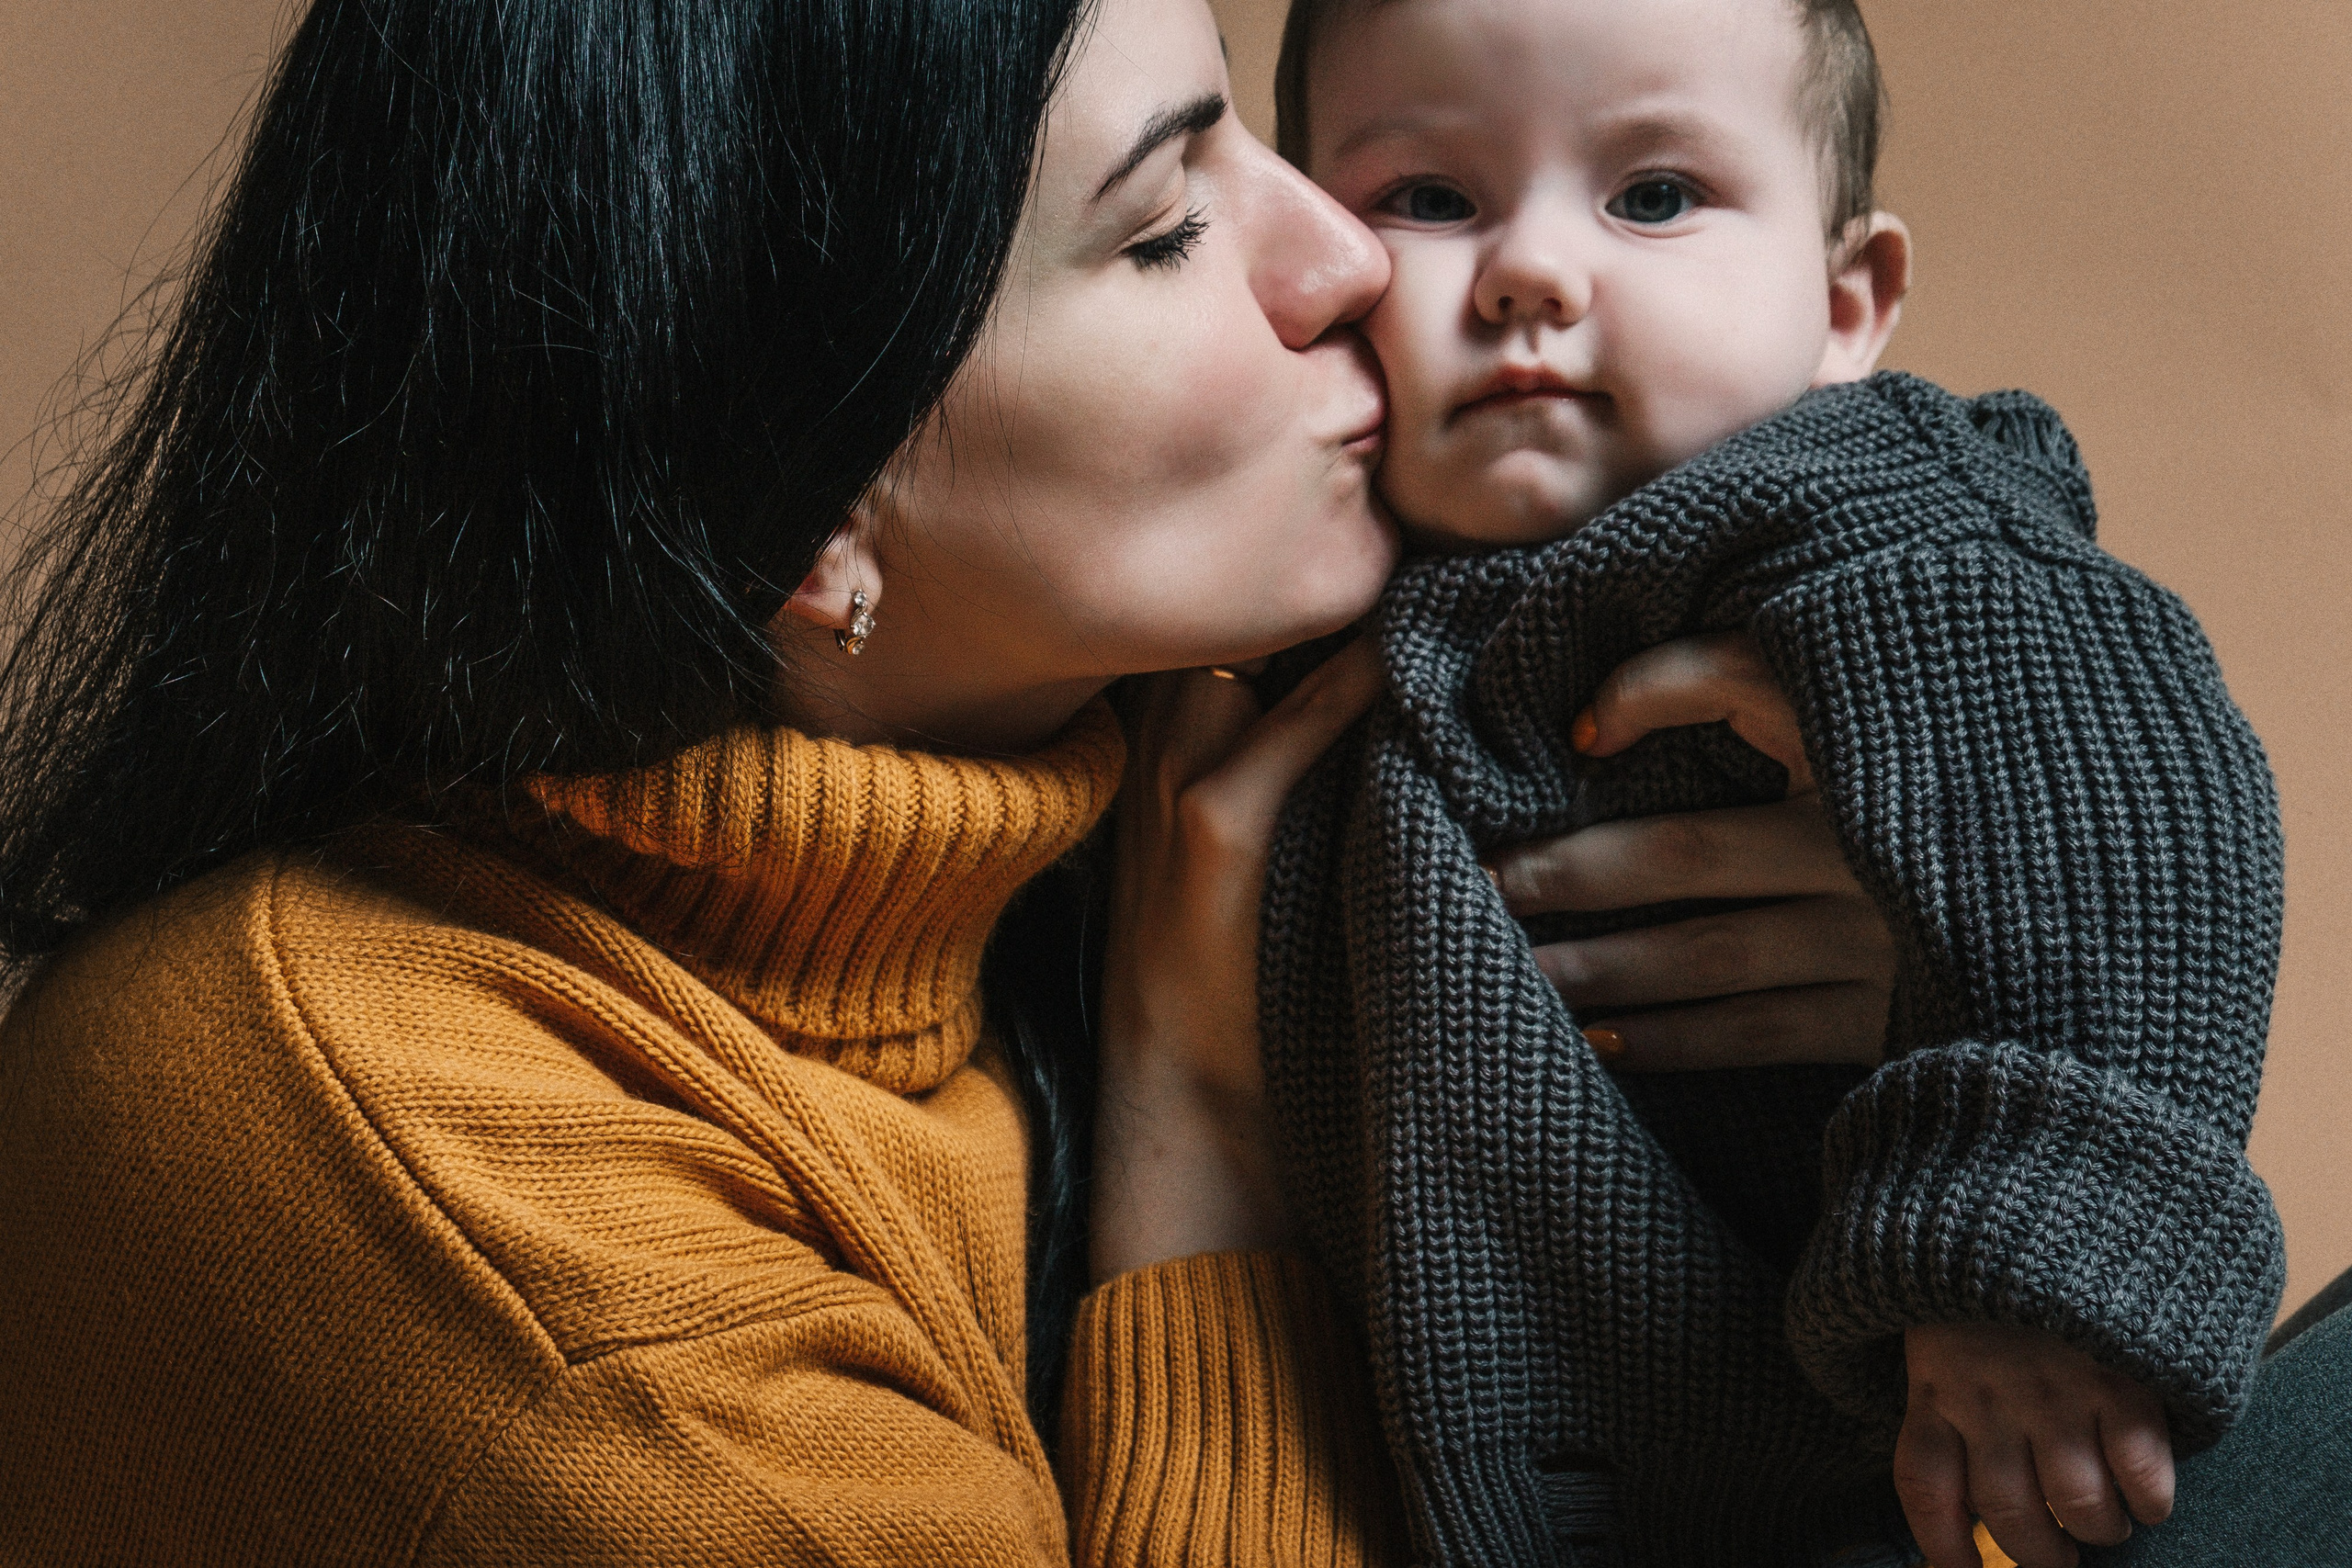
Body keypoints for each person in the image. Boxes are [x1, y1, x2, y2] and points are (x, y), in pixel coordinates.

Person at [0, 0, 1909, 1561]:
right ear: (801, 506)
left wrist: (1914, 1023)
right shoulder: (442, 1190)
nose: (1348, 255)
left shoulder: (1218, 785)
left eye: (1251, 134)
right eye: (1164, 226)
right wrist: (1198, 1146)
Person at [1259, 1, 2319, 1565]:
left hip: (1841, 1469)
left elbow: (2129, 816)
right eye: (1427, 198)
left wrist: (2012, 1260)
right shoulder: (1279, 590)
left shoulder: (1851, 512)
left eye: (1654, 196)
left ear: (1844, 303)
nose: (1531, 271)